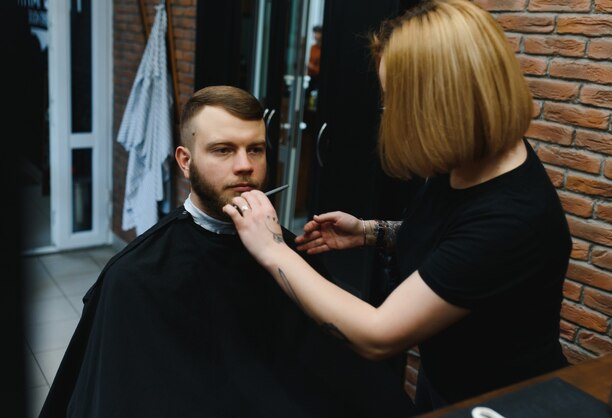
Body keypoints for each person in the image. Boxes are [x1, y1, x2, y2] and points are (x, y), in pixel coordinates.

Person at [223, 0, 572, 413]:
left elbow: (378, 334)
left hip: (501, 403)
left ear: (445, 101)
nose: (390, 113)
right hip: (443, 378)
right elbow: (452, 237)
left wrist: (272, 249)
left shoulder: (513, 219)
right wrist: (372, 231)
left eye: (394, 100)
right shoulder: (466, 157)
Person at [39, 85, 416, 418]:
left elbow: (345, 378)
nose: (245, 166)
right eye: (223, 150)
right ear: (185, 161)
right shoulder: (134, 276)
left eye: (256, 149)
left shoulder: (290, 253)